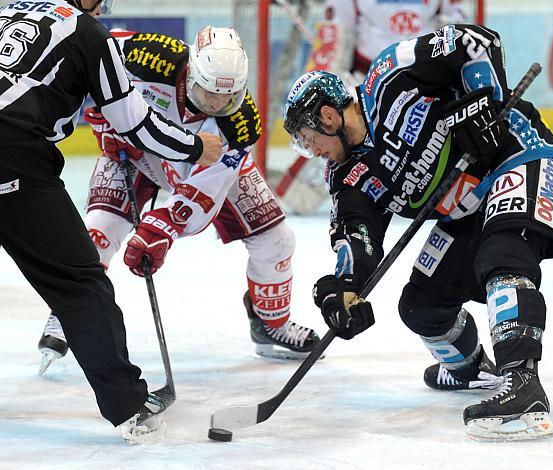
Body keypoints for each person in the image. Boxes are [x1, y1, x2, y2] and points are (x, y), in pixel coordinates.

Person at [283, 24, 553, 441]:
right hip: (467, 208)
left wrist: (486, 103)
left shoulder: (391, 76)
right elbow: (356, 238)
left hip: (521, 157)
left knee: (502, 256)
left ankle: (522, 382)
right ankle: (473, 370)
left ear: (328, 117)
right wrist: (342, 288)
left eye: (309, 141)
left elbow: (477, 41)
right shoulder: (348, 176)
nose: (313, 152)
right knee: (421, 305)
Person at [37, 26, 322, 375]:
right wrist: (97, 110)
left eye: (227, 97)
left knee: (276, 240)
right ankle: (68, 310)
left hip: (203, 162)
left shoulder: (240, 123)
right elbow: (91, 53)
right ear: (191, 71)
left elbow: (203, 194)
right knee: (98, 231)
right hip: (137, 148)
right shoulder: (147, 55)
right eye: (207, 93)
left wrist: (162, 227)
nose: (217, 104)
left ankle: (271, 323)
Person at [0, 0, 223, 441]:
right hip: (12, 156)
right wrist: (196, 148)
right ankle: (129, 406)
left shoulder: (9, 11)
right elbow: (136, 123)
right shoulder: (87, 32)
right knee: (80, 284)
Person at [275, 0, 469, 214]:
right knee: (328, 140)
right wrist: (336, 86)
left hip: (424, 76)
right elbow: (336, 36)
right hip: (368, 81)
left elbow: (454, 27)